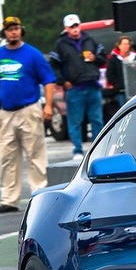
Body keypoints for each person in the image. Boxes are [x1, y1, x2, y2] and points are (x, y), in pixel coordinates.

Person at [0, 16, 56, 214]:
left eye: (16, 28)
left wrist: (48, 105)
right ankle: (9, 199)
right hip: (6, 112)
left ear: (21, 31)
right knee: (7, 157)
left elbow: (48, 81)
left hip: (28, 109)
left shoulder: (32, 54)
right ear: (4, 33)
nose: (13, 32)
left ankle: (39, 194)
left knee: (35, 154)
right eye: (9, 29)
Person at [51, 14, 105, 161]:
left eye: (76, 25)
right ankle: (77, 149)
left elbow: (103, 58)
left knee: (97, 119)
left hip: (92, 85)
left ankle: (97, 149)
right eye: (71, 27)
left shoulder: (90, 40)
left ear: (80, 25)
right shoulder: (60, 44)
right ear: (66, 29)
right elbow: (54, 65)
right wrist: (63, 81)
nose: (75, 29)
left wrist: (95, 58)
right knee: (75, 121)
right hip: (74, 88)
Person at [105, 34, 136, 110]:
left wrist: (135, 67)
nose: (126, 46)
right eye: (124, 44)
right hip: (120, 91)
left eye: (127, 44)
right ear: (119, 45)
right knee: (124, 109)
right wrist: (118, 85)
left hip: (134, 90)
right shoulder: (114, 59)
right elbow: (109, 75)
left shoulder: (134, 57)